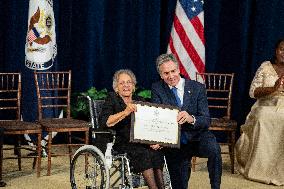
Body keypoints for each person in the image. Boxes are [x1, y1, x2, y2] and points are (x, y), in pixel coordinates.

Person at [151, 54, 222, 189]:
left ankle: (216, 186)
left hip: (198, 136)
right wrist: (159, 139)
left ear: (178, 70)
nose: (171, 76)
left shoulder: (197, 88)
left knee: (214, 150)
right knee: (179, 184)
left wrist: (191, 118)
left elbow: (206, 120)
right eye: (166, 73)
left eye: (173, 71)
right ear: (161, 75)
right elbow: (158, 118)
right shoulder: (157, 88)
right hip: (175, 141)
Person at [99, 69, 165, 189]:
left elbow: (151, 123)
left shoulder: (140, 100)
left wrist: (156, 140)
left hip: (142, 140)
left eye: (129, 82)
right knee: (143, 153)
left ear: (133, 86)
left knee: (156, 152)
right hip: (122, 141)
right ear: (116, 87)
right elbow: (106, 122)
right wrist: (125, 112)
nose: (126, 85)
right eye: (122, 83)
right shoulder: (112, 98)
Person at [235, 39, 284, 186]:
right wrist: (273, 89)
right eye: (282, 49)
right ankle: (259, 170)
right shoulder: (265, 66)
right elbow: (252, 92)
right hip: (264, 105)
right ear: (276, 50)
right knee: (263, 118)